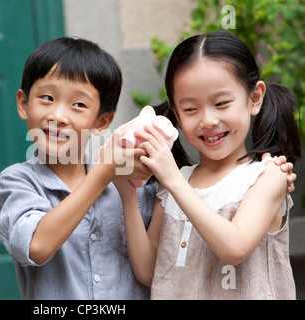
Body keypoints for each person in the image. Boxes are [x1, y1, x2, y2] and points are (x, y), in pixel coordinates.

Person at [114, 31, 301, 299]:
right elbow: (149, 270)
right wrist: (127, 193)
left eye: (222, 103)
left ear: (255, 98)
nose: (208, 120)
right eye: (190, 109)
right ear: (175, 112)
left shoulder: (268, 176)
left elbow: (234, 248)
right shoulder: (175, 183)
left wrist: (173, 181)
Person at [0, 37, 155, 300]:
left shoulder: (130, 185)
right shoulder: (16, 181)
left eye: (78, 104)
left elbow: (154, 266)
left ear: (101, 121)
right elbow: (37, 246)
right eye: (47, 98)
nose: (58, 115)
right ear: (23, 104)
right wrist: (103, 174)